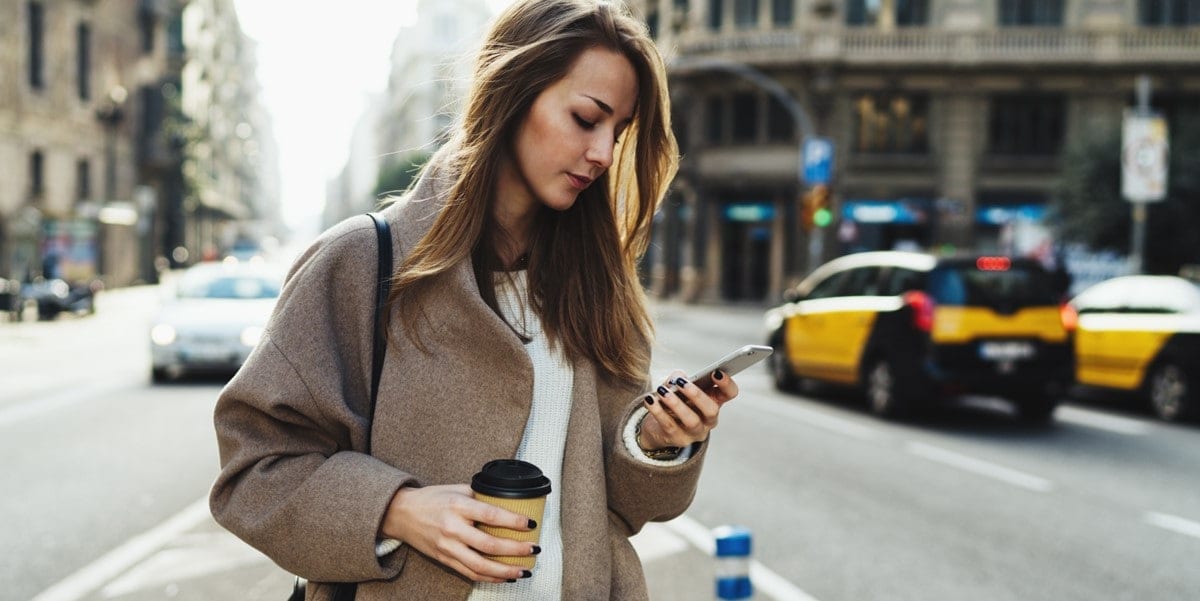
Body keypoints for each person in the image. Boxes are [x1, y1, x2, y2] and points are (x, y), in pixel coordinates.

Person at [209, 0, 742, 599]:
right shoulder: (362, 262)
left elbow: (621, 508)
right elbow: (256, 473)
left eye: (619, 132)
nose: (603, 155)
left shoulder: (599, 285)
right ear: (513, 93)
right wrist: (398, 509)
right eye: (586, 118)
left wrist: (656, 444)